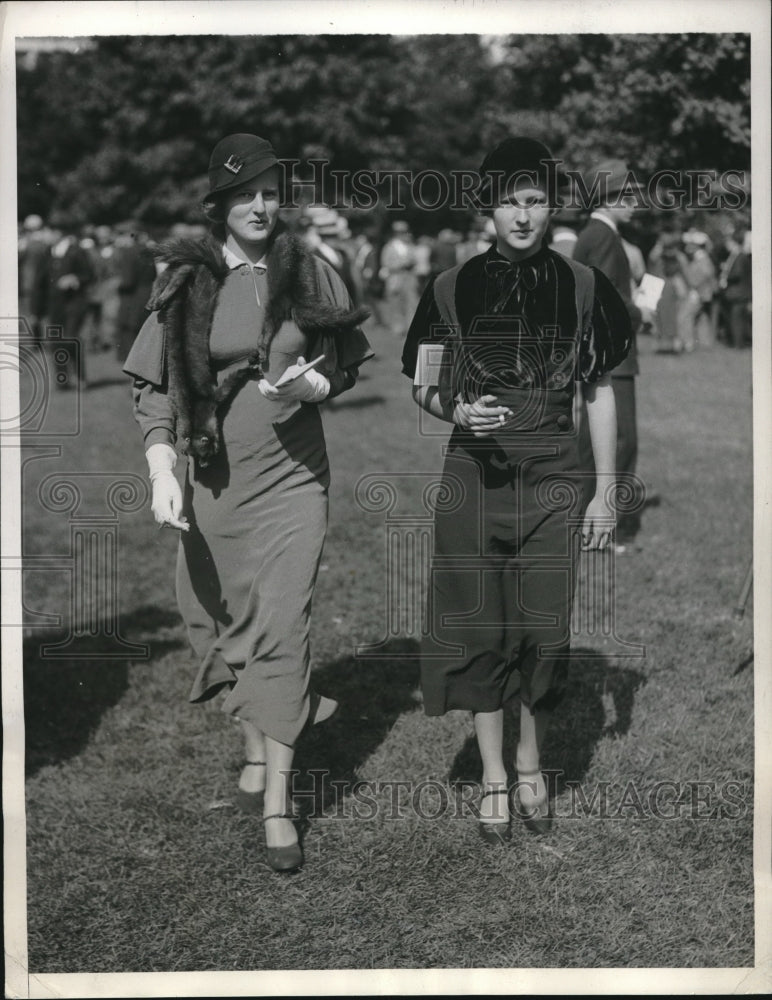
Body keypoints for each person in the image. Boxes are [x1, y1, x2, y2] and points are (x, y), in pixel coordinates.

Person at [124, 133, 373, 873]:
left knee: (284, 621)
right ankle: (258, 745)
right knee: (222, 615)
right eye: (245, 195)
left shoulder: (309, 270)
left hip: (294, 479)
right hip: (213, 481)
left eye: (271, 193)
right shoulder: (186, 281)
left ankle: (278, 804)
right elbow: (154, 384)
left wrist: (319, 385)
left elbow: (347, 359)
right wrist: (161, 463)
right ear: (220, 206)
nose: (261, 206)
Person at [401, 137, 631, 844]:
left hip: (556, 478)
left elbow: (599, 392)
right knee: (479, 626)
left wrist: (605, 493)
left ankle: (532, 762)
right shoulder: (449, 287)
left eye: (535, 201)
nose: (524, 216)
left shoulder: (584, 286)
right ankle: (494, 777)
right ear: (486, 209)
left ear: (551, 206)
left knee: (540, 627)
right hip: (473, 477)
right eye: (510, 202)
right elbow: (425, 385)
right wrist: (457, 409)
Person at [573, 159, 646, 545]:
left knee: (596, 443)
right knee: (620, 440)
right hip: (609, 357)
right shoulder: (602, 236)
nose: (636, 201)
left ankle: (590, 521)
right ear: (610, 197)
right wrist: (639, 312)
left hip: (604, 355)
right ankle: (605, 526)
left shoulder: (601, 234)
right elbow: (603, 297)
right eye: (629, 194)